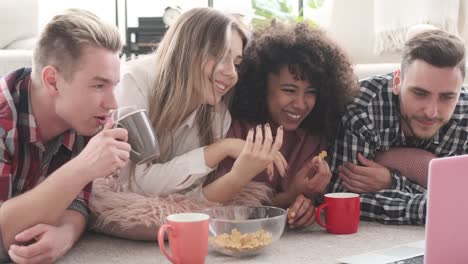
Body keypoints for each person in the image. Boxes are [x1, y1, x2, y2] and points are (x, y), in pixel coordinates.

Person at [90, 8, 284, 240]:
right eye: (221, 56)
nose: (232, 73)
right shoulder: (134, 83)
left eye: (236, 62)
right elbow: (133, 183)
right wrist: (220, 149)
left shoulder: (218, 115)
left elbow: (189, 198)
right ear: (187, 51)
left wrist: (239, 175)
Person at [0, 9, 130, 263]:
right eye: (98, 85)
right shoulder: (4, 119)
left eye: (113, 86)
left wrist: (66, 234)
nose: (112, 103)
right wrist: (84, 167)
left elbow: (79, 202)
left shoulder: (80, 118)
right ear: (52, 81)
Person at [215, 22, 357, 229]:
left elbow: (307, 201)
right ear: (262, 85)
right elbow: (226, 213)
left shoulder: (315, 138)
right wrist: (289, 197)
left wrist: (307, 203)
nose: (300, 104)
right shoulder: (234, 132)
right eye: (289, 90)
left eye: (311, 92)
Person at [329, 29, 467, 225]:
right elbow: (340, 196)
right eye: (420, 93)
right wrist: (439, 205)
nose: (431, 112)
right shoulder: (362, 109)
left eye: (447, 97)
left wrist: (393, 182)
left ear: (460, 90)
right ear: (397, 82)